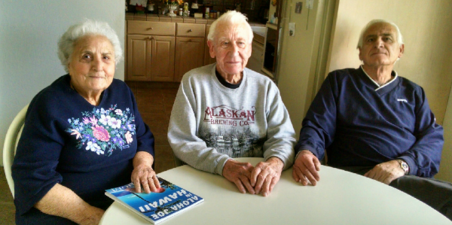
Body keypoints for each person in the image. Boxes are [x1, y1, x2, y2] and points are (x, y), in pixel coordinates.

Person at [292, 19, 452, 220]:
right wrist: (307, 151)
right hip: (354, 175)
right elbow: (316, 125)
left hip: (403, 175)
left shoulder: (413, 92)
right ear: (360, 51)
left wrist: (403, 164)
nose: (378, 43)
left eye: (387, 39)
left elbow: (433, 139)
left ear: (400, 50)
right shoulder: (340, 82)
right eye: (370, 39)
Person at [12, 20, 160, 225]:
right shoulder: (49, 104)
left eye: (106, 57)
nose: (98, 66)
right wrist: (91, 216)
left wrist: (143, 166)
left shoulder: (121, 91)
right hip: (69, 211)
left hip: (124, 199)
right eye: (86, 56)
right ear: (68, 63)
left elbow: (143, 137)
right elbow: (33, 178)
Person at [168, 11, 295, 197]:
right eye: (225, 43)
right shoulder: (193, 83)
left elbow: (284, 137)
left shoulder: (266, 87)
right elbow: (182, 140)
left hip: (256, 183)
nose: (234, 52)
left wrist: (274, 163)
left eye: (241, 43)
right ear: (212, 48)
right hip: (207, 179)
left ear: (250, 49)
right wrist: (224, 165)